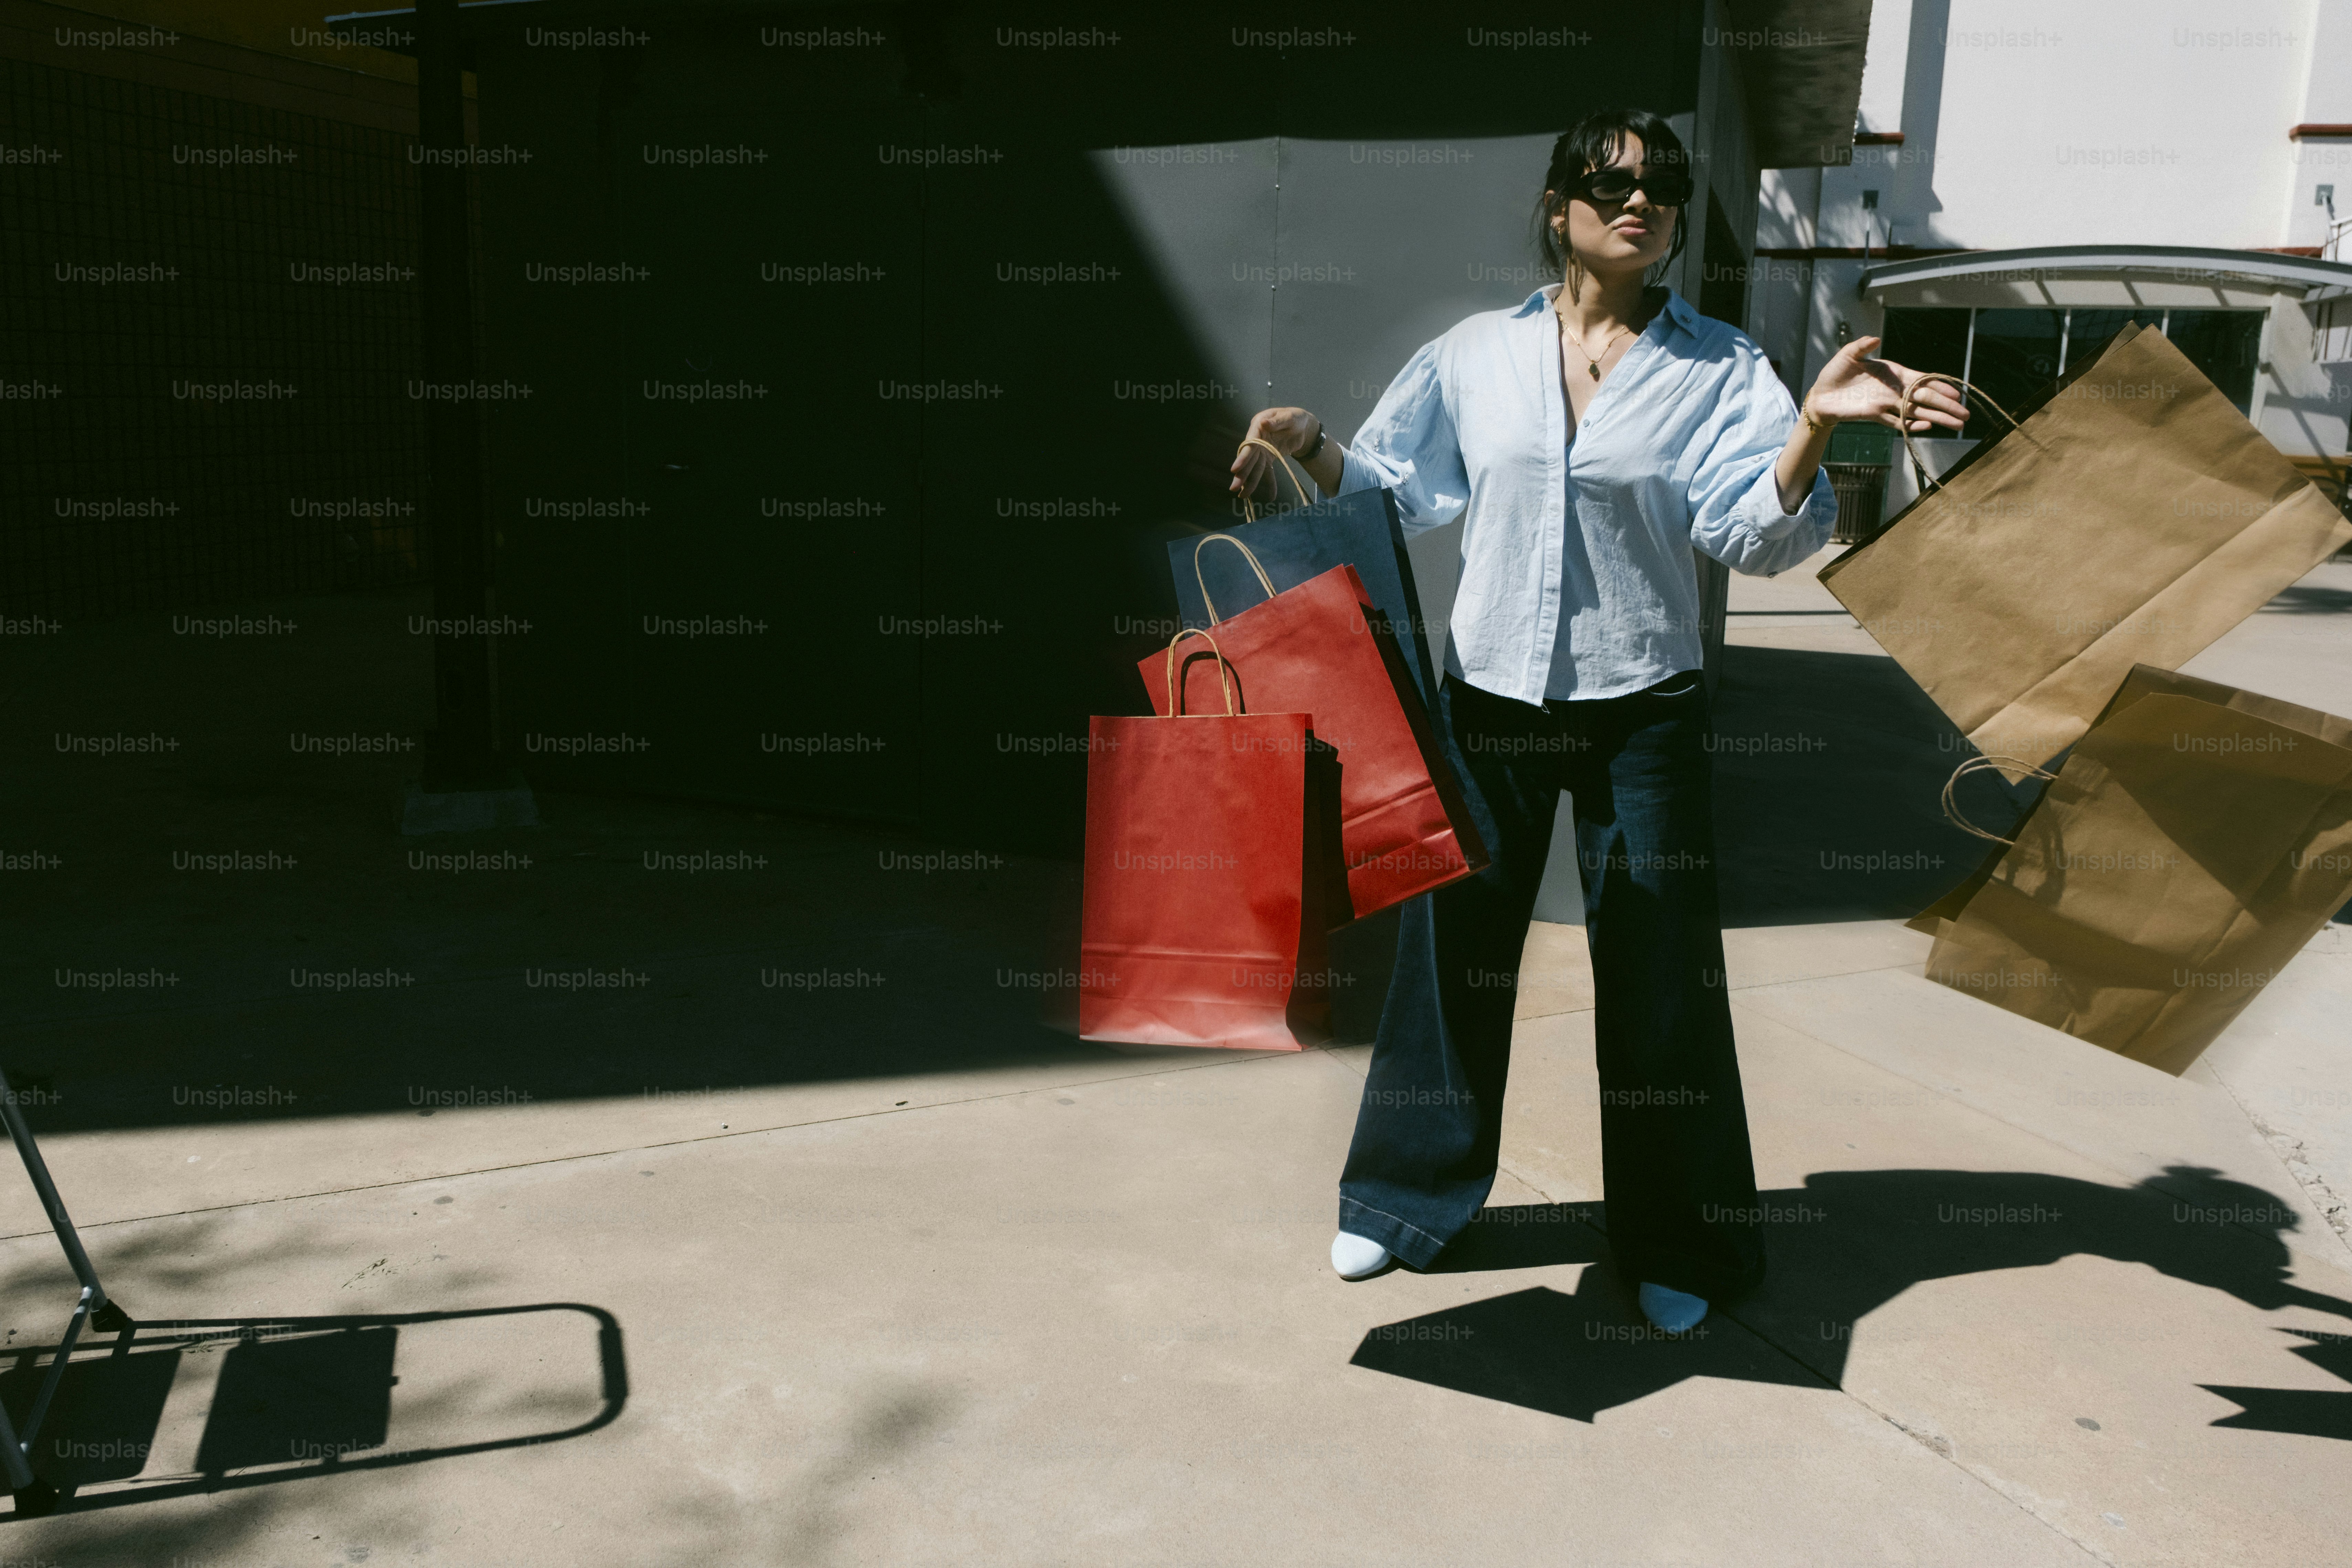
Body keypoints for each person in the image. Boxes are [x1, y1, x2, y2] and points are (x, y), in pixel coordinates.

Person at [1228, 107, 1966, 1333]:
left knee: (1659, 978)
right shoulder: (1475, 352)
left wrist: (1813, 426)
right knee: (1448, 965)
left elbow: (1749, 537)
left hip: (1644, 713)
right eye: (1611, 181)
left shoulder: (1720, 367)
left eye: (1662, 183)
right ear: (1557, 203)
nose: (1641, 201)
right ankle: (1405, 1199)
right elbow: (1403, 495)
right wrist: (1317, 450)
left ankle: (1678, 1239)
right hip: (1490, 702)